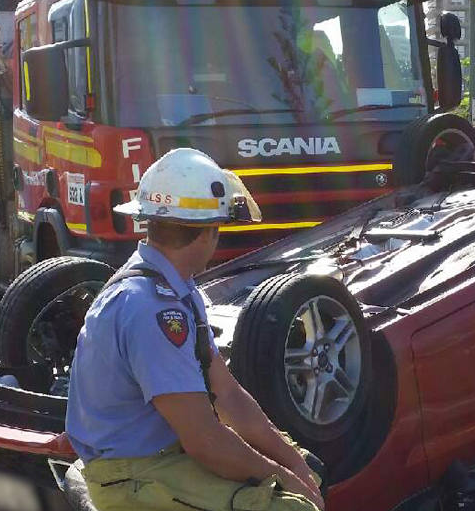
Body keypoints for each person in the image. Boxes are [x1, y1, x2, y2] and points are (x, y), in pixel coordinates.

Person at [66, 148, 325, 511]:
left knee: (308, 473)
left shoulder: (173, 289)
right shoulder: (151, 307)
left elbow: (228, 395)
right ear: (208, 234)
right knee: (294, 508)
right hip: (132, 474)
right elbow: (204, 441)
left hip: (157, 455)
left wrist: (295, 464)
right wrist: (282, 478)